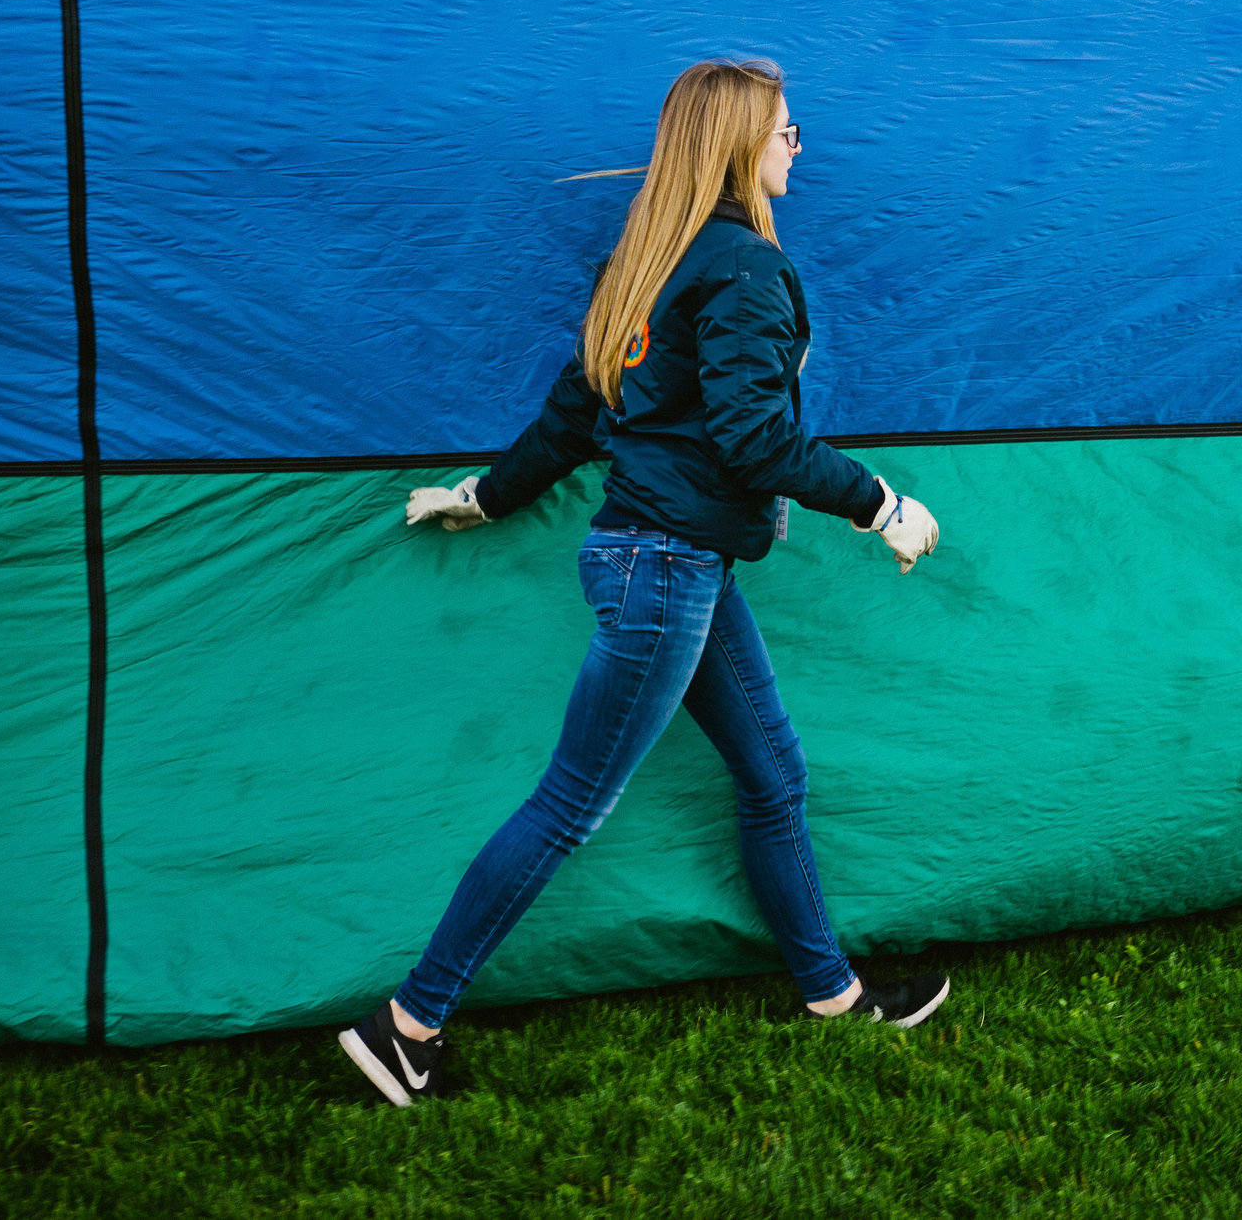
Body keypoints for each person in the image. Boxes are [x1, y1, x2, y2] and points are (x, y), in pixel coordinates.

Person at [338, 59, 946, 1108]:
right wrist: (880, 502)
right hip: (666, 566)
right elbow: (756, 439)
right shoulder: (745, 269)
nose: (799, 146)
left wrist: (484, 495)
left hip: (668, 558)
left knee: (772, 772)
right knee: (570, 802)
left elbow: (575, 416)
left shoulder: (648, 261)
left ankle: (831, 993)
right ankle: (407, 1025)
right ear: (737, 145)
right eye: (787, 130)